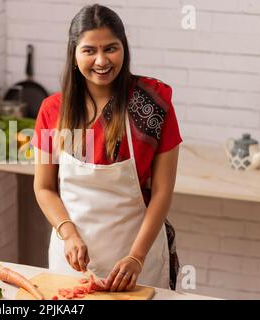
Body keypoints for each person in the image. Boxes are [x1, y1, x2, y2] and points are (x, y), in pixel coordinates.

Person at [31, 4, 182, 292]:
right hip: (71, 260)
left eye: (110, 48)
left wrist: (136, 257)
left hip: (138, 260)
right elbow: (44, 187)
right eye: (89, 50)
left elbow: (162, 192)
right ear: (74, 55)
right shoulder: (53, 110)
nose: (101, 60)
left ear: (124, 49)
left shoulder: (153, 105)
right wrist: (68, 233)